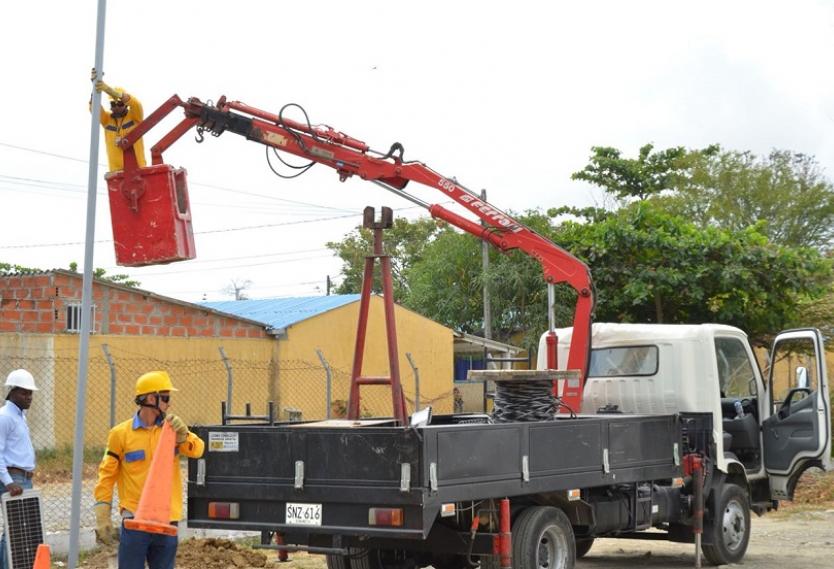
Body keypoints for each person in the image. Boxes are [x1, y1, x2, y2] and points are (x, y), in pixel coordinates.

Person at [93, 371, 204, 569]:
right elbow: (107, 475)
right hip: (135, 520)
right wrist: (103, 512)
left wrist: (184, 434)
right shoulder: (120, 434)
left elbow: (198, 450)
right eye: (166, 397)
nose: (169, 404)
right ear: (151, 398)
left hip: (167, 520)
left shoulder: (171, 431)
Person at [0, 370, 38, 569]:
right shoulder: (5, 417)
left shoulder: (19, 415)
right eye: (24, 393)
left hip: (22, 478)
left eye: (30, 393)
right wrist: (8, 482)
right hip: (14, 479)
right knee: (14, 531)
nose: (29, 397)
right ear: (12, 392)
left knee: (15, 530)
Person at [89, 68, 147, 172]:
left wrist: (116, 94)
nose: (116, 107)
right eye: (113, 104)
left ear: (125, 105)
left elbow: (136, 104)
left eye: (119, 103)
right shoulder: (106, 119)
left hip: (138, 169)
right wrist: (94, 87)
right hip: (116, 172)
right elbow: (94, 108)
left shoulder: (135, 117)